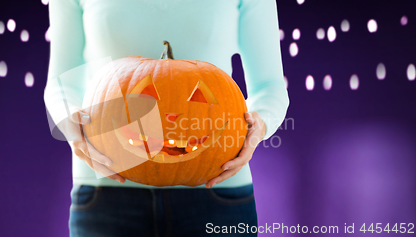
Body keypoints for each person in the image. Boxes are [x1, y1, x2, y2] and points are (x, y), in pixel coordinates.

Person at [44, 0, 289, 236]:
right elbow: (61, 84)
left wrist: (259, 126)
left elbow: (270, 86)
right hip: (105, 189)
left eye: (198, 97)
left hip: (217, 188)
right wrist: (70, 123)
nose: (173, 117)